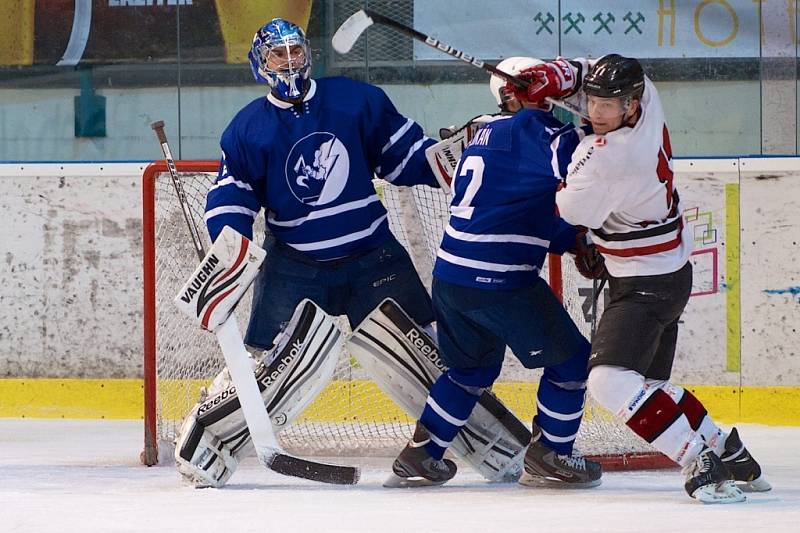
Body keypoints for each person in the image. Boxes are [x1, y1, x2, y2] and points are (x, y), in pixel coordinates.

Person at [513, 54, 770, 503]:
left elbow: (570, 211)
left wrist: (544, 107)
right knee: (647, 388)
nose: (595, 113)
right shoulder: (648, 96)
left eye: (608, 106)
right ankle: (727, 448)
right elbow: (588, 65)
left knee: (609, 380)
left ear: (630, 106)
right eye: (592, 100)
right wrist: (556, 75)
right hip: (668, 274)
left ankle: (697, 459)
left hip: (644, 284)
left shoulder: (609, 158)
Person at [386, 57, 604, 489]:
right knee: (573, 362)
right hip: (500, 280)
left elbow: (519, 206)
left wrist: (570, 241)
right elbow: (590, 165)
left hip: (452, 278)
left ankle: (421, 455)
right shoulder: (535, 132)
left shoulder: (481, 132)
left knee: (468, 373)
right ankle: (554, 454)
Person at [204, 18, 439, 351]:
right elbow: (233, 196)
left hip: (371, 254)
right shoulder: (247, 128)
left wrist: (447, 161)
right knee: (265, 360)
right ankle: (241, 391)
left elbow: (401, 155)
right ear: (261, 64)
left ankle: (457, 394)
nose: (288, 61)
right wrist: (228, 249)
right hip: (294, 264)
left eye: (295, 51)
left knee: (423, 347)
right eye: (277, 55)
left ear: (307, 54)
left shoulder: (355, 100)